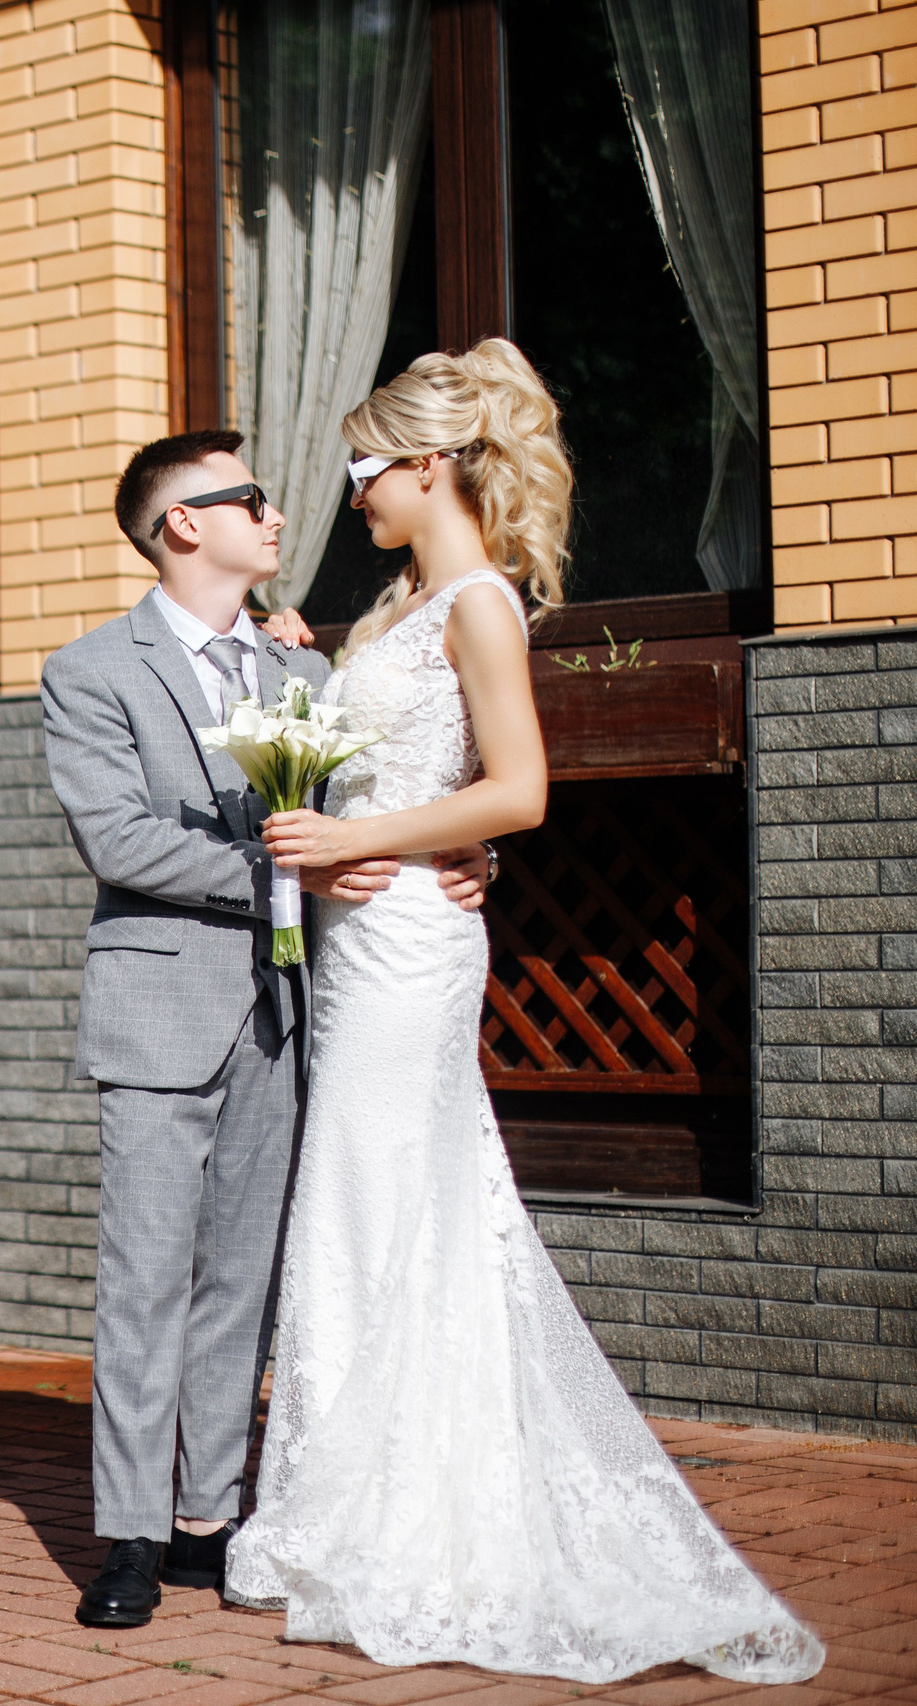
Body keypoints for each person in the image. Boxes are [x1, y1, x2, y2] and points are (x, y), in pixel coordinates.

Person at [223, 340, 824, 1684]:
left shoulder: (478, 603)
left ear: (430, 464)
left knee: (396, 1192)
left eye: (368, 468)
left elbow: (523, 791)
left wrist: (353, 837)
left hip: (408, 946)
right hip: (359, 935)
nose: (357, 491)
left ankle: (424, 1517)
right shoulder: (390, 611)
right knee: (372, 1198)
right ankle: (362, 1494)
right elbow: (390, 756)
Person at [39, 428, 490, 1630]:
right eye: (248, 497)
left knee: (240, 1277)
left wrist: (459, 847)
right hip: (159, 1007)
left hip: (289, 1008)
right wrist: (284, 875)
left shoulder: (302, 670)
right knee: (144, 1279)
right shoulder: (88, 670)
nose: (277, 512)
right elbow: (120, 841)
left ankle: (204, 1519)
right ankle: (128, 1533)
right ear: (181, 522)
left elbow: (371, 793)